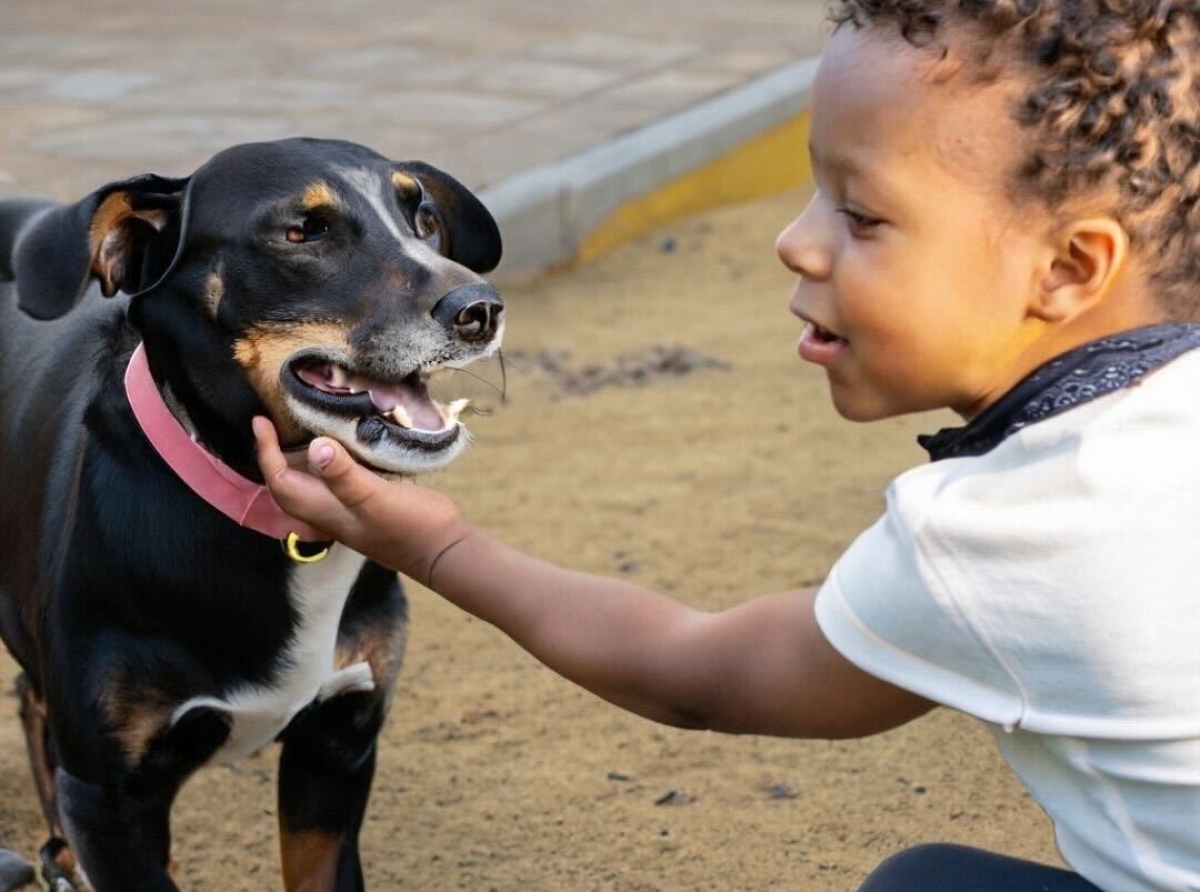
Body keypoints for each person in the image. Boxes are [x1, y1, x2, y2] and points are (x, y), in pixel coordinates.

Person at [253, 2, 1200, 890]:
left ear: (1069, 268)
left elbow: (695, 675)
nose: (795, 241)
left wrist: (433, 543)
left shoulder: (1016, 528)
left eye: (860, 214)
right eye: (813, 194)